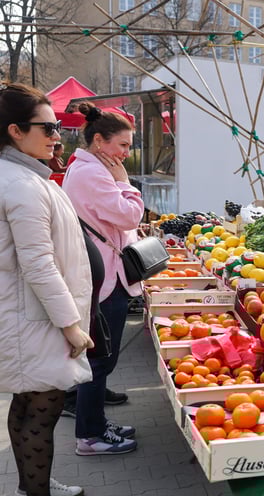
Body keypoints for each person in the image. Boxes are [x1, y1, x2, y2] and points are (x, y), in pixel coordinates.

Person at [0, 81, 97, 496]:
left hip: (31, 316)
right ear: (16, 131)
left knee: (28, 404)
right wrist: (71, 325)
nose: (58, 134)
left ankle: (30, 487)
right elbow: (37, 263)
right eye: (49, 127)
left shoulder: (27, 174)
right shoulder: (18, 182)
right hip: (35, 319)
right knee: (41, 408)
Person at [62, 102, 143, 456]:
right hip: (105, 277)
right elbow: (129, 216)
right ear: (99, 141)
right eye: (122, 145)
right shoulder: (93, 174)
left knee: (102, 358)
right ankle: (90, 436)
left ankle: (94, 424)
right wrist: (127, 185)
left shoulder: (87, 169)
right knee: (99, 361)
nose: (126, 153)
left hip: (103, 272)